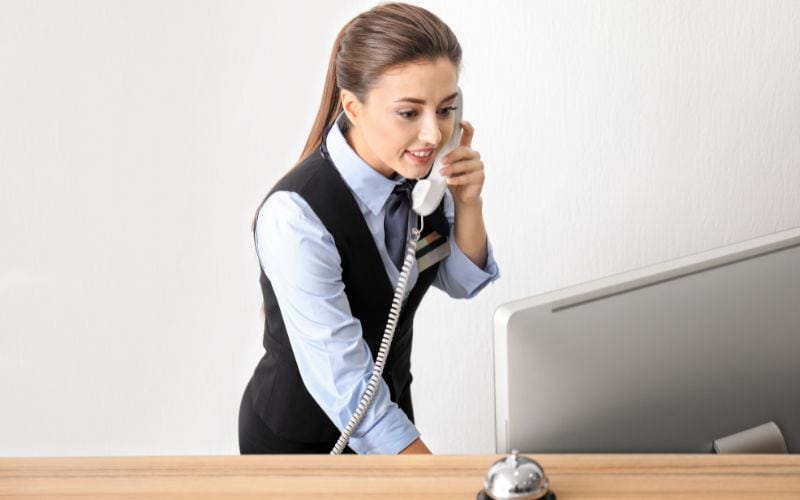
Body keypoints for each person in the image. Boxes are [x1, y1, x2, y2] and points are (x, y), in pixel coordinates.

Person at [238, 2, 500, 455]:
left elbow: (462, 282)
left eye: (446, 109)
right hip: (302, 446)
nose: (434, 135)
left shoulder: (423, 181)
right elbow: (344, 382)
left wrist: (467, 202)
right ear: (353, 107)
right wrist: (436, 480)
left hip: (390, 423)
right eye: (409, 113)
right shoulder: (295, 218)